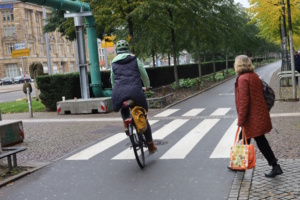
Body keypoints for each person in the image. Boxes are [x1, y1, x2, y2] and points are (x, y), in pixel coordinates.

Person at [231, 55, 283, 178]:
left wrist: (241, 120)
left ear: (239, 64)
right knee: (244, 138)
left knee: (259, 140)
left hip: (251, 116)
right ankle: (240, 164)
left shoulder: (243, 79)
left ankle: (275, 166)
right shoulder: (253, 76)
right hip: (257, 114)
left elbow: (244, 101)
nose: (234, 65)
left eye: (235, 63)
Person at [110, 40, 157, 154]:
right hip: (136, 92)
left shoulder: (113, 64)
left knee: (123, 108)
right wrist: (147, 86)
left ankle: (126, 122)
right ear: (128, 50)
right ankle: (150, 145)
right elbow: (144, 75)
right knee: (143, 117)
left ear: (117, 51)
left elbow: (113, 80)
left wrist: (115, 90)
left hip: (120, 93)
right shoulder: (135, 60)